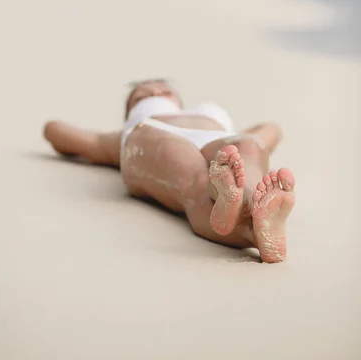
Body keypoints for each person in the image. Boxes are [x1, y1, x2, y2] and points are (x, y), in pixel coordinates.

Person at [43, 79, 295, 263]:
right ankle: (246, 219)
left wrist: (248, 140)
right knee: (196, 180)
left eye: (164, 91)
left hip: (221, 139)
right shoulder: (129, 131)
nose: (155, 92)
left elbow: (270, 128)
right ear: (129, 115)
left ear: (179, 101)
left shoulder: (209, 115)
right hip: (155, 135)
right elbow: (58, 132)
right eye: (142, 97)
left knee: (248, 152)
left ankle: (256, 225)